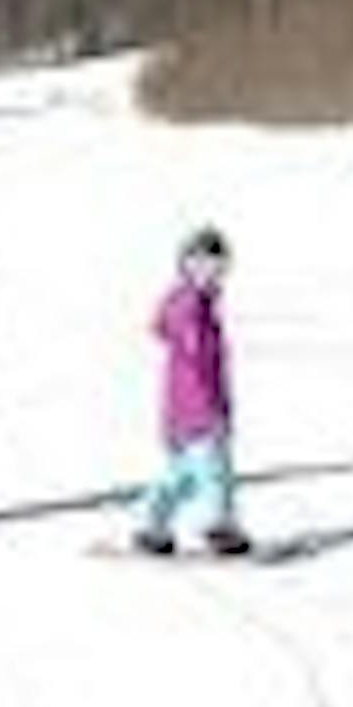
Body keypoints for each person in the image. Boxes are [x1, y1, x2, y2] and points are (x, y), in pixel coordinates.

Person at [131, 223, 247, 558]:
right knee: (215, 472)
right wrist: (213, 410)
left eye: (219, 269)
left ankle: (151, 524)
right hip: (197, 409)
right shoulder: (190, 307)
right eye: (203, 267)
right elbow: (197, 358)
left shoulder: (199, 305)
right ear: (186, 265)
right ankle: (218, 525)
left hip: (182, 411)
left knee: (181, 475)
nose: (212, 275)